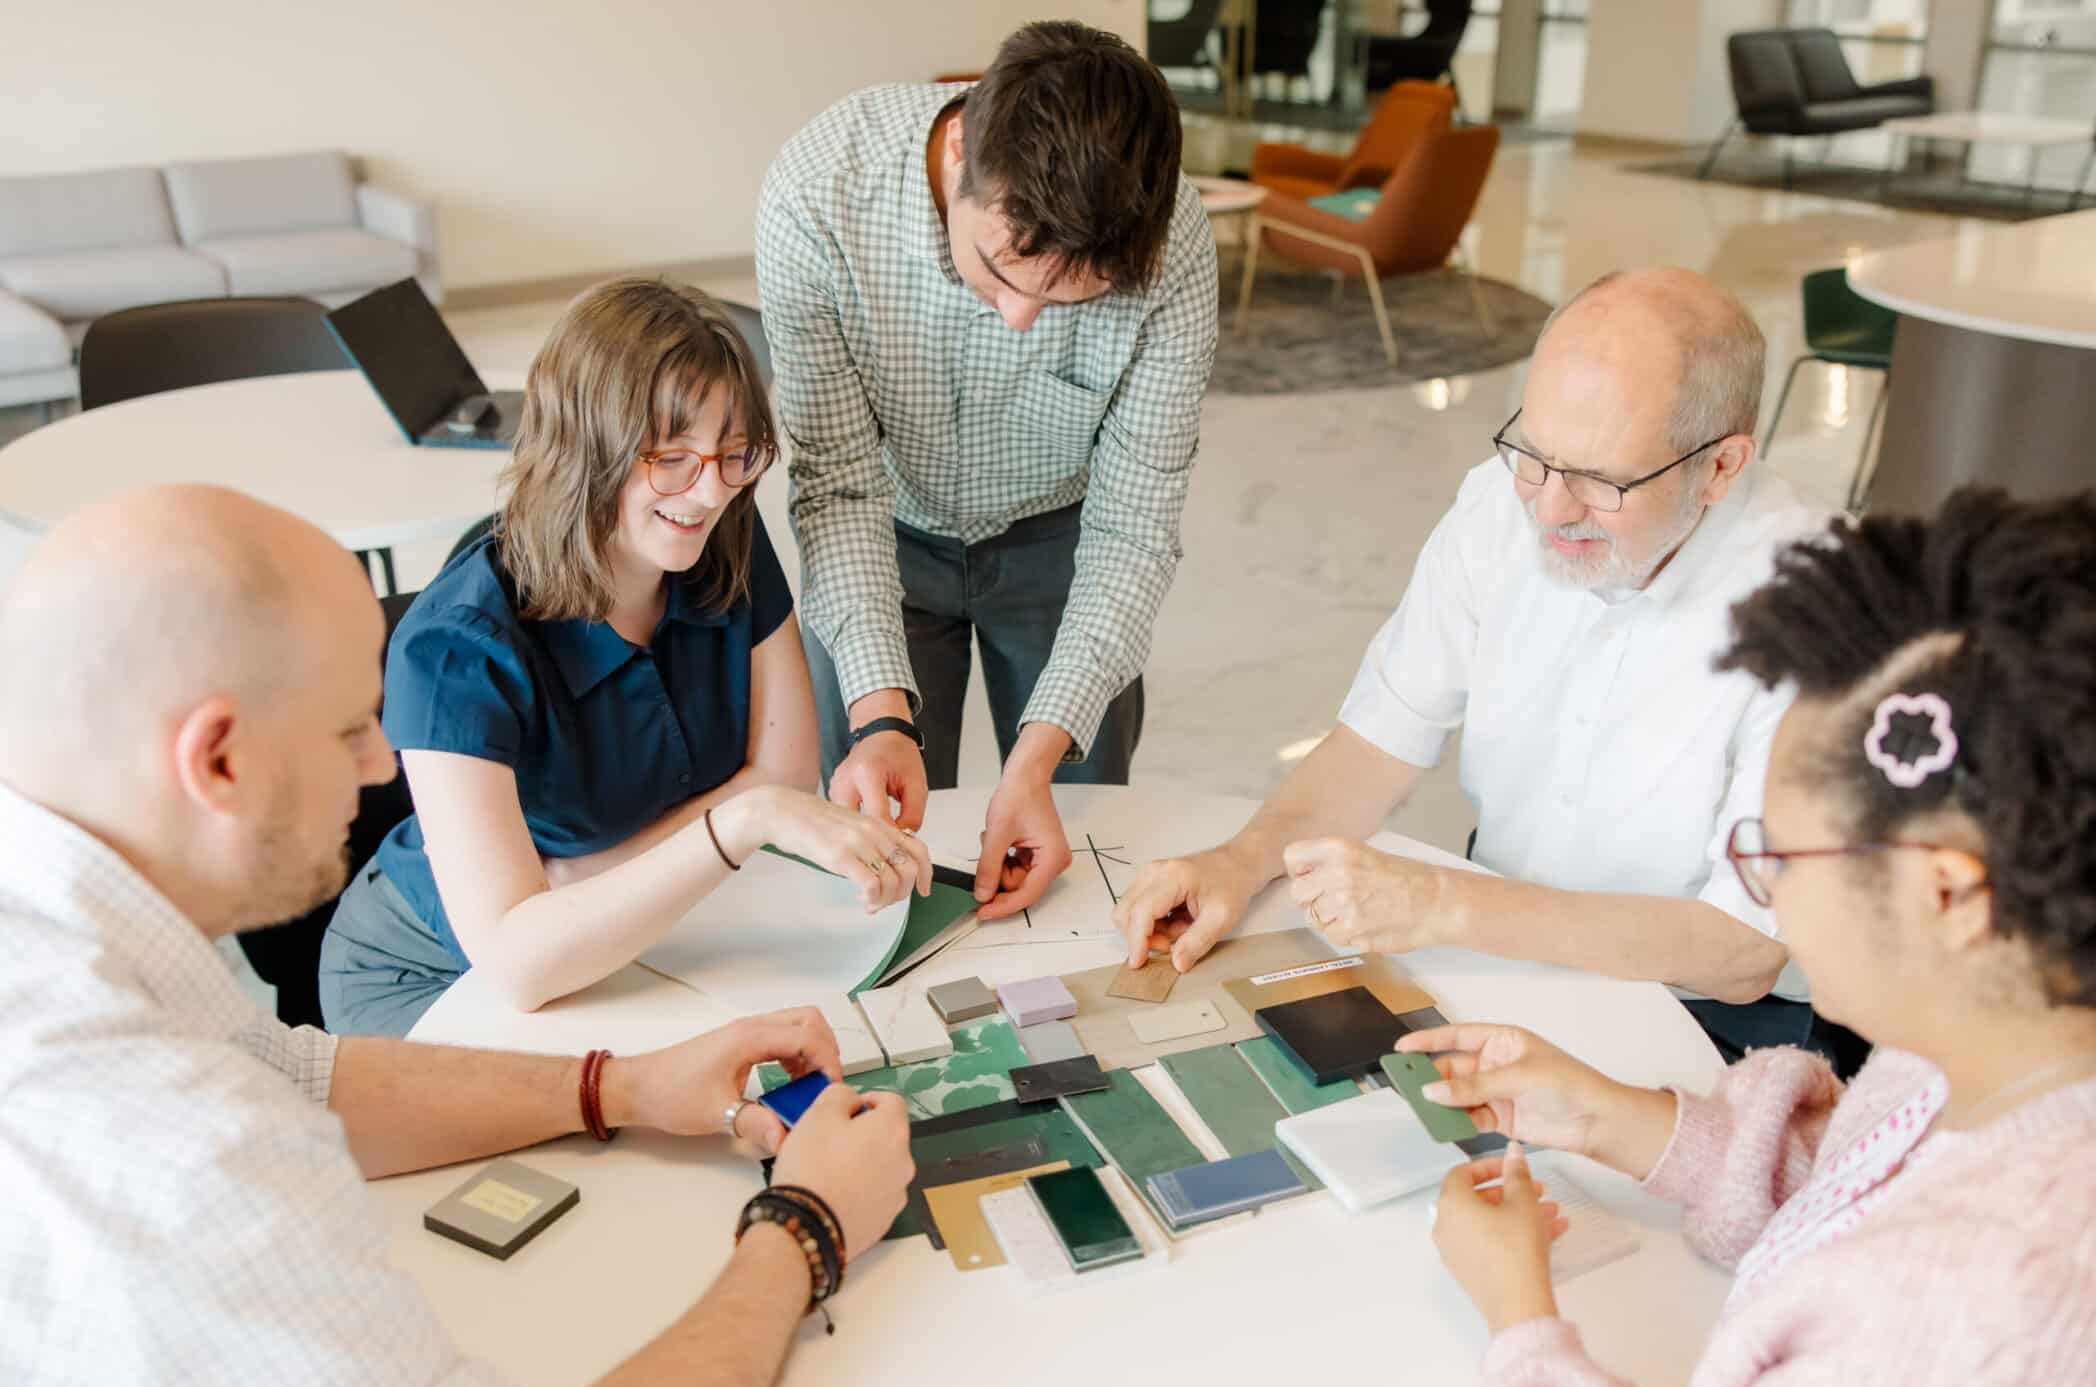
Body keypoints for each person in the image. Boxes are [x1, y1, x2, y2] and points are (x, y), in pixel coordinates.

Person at [0, 485, 915, 1387]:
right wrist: (808, 1224)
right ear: (220, 761)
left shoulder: (73, 934)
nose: (381, 764)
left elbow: (295, 1074)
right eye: (351, 725)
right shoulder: (188, 1166)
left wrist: (620, 1084)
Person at [1416, 489, 2096, 1387]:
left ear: (1947, 893)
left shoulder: (1967, 1309)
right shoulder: (1992, 1054)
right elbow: (1862, 1184)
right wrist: (1607, 1116)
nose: (1762, 886)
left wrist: (1520, 1319)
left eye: (1779, 852)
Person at [1116, 268, 1836, 1059]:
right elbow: (1380, 737)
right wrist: (1239, 861)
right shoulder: (1500, 505)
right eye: (1535, 454)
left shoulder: (1825, 610)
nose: (1551, 508)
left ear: (1722, 467)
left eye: (1599, 480)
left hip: (1710, 1017)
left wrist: (1447, 905)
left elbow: (1739, 951)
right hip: (1499, 956)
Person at [320, 278, 931, 1037]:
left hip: (640, 932)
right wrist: (742, 821)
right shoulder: (454, 646)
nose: (709, 493)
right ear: (586, 445)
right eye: (672, 457)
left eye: (735, 454)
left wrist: (579, 878)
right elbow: (519, 962)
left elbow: (784, 772)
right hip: (430, 971)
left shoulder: (724, 536)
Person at [756, 20, 1219, 922]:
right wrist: (884, 717)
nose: (1019, 317)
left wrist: (1037, 762)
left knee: (1078, 834)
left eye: (1067, 302)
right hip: (880, 529)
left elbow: (1133, 526)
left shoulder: (1176, 248)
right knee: (870, 849)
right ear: (963, 145)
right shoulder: (819, 194)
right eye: (1002, 268)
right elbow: (841, 482)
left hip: (1065, 542)